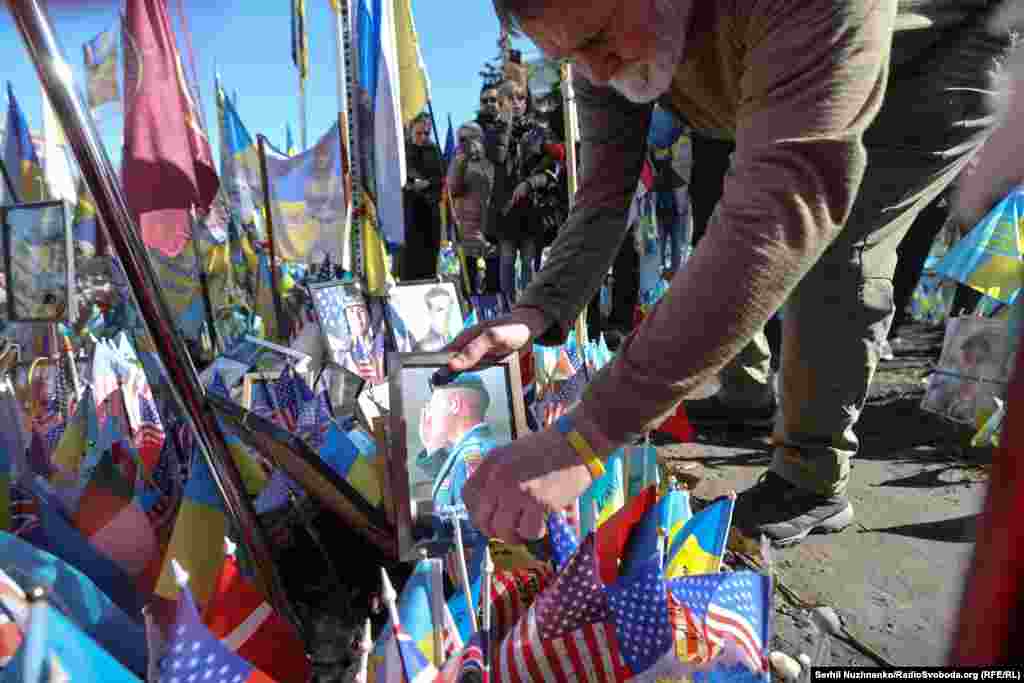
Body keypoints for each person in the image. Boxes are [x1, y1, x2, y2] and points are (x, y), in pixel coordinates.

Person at [447, 0, 1009, 546]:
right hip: (803, 71)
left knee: (836, 255)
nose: (596, 71)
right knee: (725, 238)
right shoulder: (597, 26)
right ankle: (746, 398)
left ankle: (812, 479)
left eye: (596, 41)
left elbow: (783, 210)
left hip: (935, 68)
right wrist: (534, 313)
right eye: (571, 56)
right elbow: (602, 196)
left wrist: (585, 439)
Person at [487, 80, 561, 303]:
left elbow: (552, 170)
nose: (517, 103)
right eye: (510, 99)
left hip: (532, 209)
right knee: (507, 262)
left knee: (530, 263)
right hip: (506, 210)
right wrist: (505, 124)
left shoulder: (539, 131)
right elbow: (497, 158)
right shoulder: (494, 131)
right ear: (501, 104)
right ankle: (508, 309)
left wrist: (529, 184)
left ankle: (529, 310)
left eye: (521, 98)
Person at [417, 374, 499, 512]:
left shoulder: (473, 455)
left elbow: (472, 525)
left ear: (454, 405)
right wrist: (432, 447)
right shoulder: (469, 452)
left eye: (432, 406)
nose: (429, 415)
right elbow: (453, 487)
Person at [447, 121, 495, 294]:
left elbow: (489, 189)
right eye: (462, 139)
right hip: (465, 230)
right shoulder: (457, 161)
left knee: (490, 281)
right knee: (468, 282)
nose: (465, 143)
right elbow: (453, 189)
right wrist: (460, 163)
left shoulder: (487, 163)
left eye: (470, 139)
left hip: (485, 229)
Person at [402, 113, 444, 281]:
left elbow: (441, 179)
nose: (423, 137)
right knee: (410, 257)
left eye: (426, 133)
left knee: (429, 255)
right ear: (411, 130)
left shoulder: (434, 150)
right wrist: (412, 184)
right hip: (410, 210)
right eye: (419, 133)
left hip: (430, 211)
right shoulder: (403, 150)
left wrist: (427, 184)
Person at [344, 300, 384, 384]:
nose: (357, 317)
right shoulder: (343, 352)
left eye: (361, 311)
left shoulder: (384, 342)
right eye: (351, 312)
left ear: (369, 315)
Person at [413, 286, 456, 352]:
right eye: (440, 310)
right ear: (429, 313)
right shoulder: (425, 347)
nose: (447, 314)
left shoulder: (456, 338)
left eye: (449, 309)